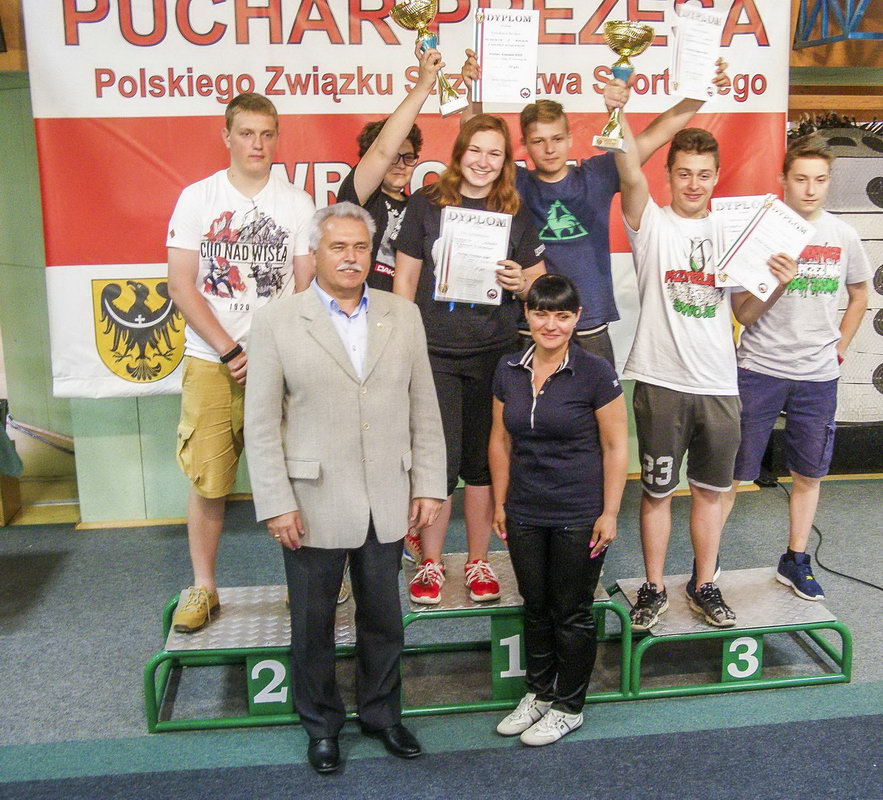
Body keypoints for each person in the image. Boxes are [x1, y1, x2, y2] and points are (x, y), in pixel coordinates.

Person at [243, 203, 447, 774]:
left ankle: (382, 715)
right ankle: (322, 725)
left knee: (384, 619)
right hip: (311, 501)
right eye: (338, 247)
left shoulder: (403, 315)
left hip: (387, 495)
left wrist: (429, 483)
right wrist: (276, 502)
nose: (351, 258)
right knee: (313, 626)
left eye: (360, 247)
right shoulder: (277, 321)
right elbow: (261, 423)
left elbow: (424, 406)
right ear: (315, 254)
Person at [613, 103, 797, 630]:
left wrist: (777, 283)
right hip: (661, 381)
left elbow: (743, 312)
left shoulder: (731, 231)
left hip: (718, 384)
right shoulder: (650, 223)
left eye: (703, 174)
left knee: (712, 493)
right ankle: (652, 588)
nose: (693, 184)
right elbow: (628, 166)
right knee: (656, 492)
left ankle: (704, 583)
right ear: (668, 175)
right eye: (683, 173)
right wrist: (616, 110)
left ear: (717, 177)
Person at [461, 50, 730, 365]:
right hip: (530, 323)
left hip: (589, 324)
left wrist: (701, 92)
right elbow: (475, 139)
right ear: (525, 144)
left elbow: (657, 134)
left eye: (557, 139)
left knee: (600, 398)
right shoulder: (515, 182)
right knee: (523, 397)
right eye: (538, 141)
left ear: (570, 138)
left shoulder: (597, 175)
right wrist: (472, 92)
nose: (549, 149)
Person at [167, 93, 314, 633]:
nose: (258, 144)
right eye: (247, 133)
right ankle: (203, 586)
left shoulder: (297, 203)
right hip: (212, 360)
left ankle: (310, 582)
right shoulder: (197, 198)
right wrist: (230, 351)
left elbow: (305, 286)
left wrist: (274, 353)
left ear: (277, 138)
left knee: (298, 476)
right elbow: (181, 285)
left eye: (267, 134)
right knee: (210, 481)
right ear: (226, 136)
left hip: (279, 364)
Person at [392, 114, 546, 605]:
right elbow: (404, 280)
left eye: (494, 153)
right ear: (460, 153)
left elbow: (538, 285)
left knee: (482, 465)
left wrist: (520, 283)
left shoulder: (514, 211)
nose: (483, 161)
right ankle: (431, 562)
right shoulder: (427, 203)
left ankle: (478, 559)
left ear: (505, 161)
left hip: (493, 354)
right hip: (433, 354)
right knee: (436, 465)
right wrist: (402, 347)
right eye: (475, 150)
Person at [721, 134, 871, 600]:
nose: (810, 189)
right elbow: (744, 314)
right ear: (783, 180)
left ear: (828, 182)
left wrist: (839, 348)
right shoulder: (761, 236)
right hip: (760, 369)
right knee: (733, 473)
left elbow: (860, 293)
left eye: (820, 180)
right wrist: (777, 283)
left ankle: (795, 558)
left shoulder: (843, 236)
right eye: (801, 179)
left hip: (817, 376)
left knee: (809, 473)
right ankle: (708, 562)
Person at [488, 274, 628, 746]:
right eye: (542, 313)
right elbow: (500, 441)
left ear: (577, 318)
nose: (551, 325)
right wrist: (502, 502)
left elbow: (616, 447)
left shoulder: (595, 372)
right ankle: (539, 693)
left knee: (571, 611)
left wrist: (609, 513)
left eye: (562, 315)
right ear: (527, 315)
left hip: (578, 512)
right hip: (525, 509)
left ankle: (569, 706)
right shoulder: (508, 367)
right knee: (535, 607)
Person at [336, 46, 442, 292]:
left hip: (407, 309)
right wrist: (423, 85)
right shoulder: (360, 197)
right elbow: (382, 150)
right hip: (362, 307)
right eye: (394, 158)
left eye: (408, 157)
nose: (401, 164)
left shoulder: (420, 207)